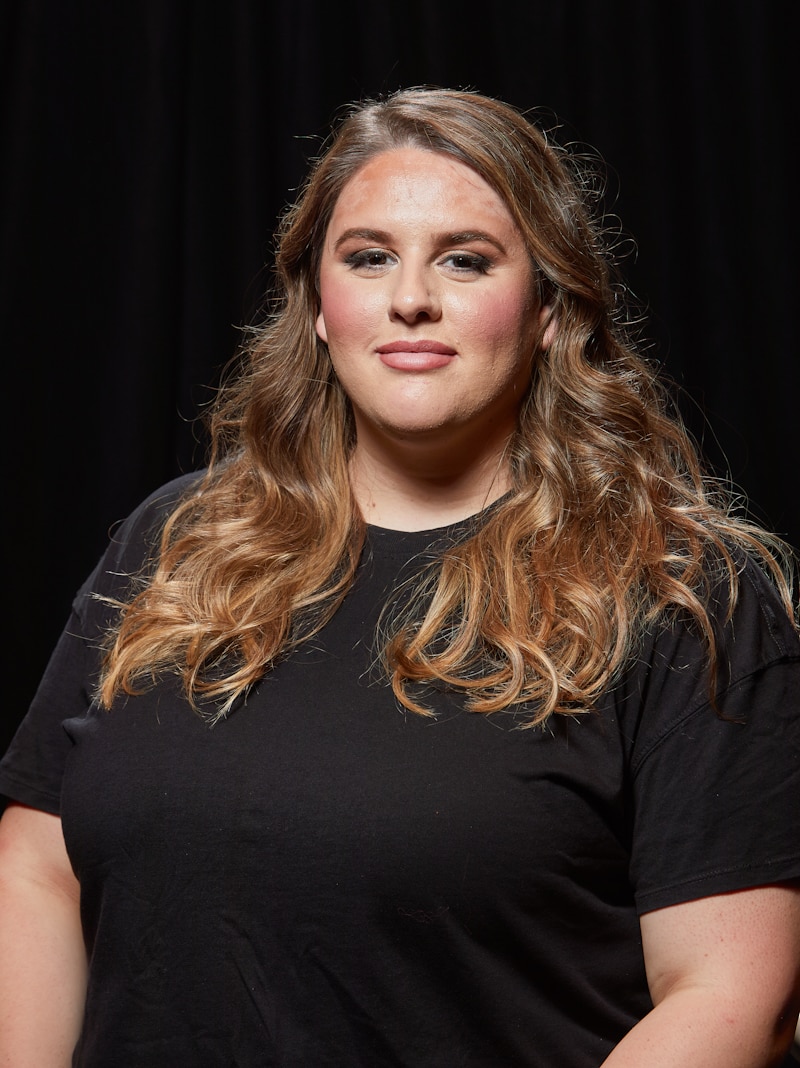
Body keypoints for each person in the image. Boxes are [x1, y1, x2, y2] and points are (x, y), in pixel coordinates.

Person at [0, 87, 798, 1067]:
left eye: (464, 260)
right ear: (318, 308)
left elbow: (729, 996)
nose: (408, 296)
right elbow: (37, 865)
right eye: (368, 256)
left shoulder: (680, 591)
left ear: (548, 309)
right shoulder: (180, 537)